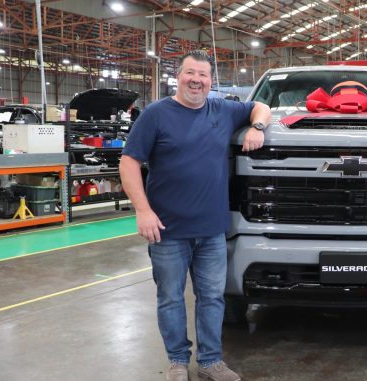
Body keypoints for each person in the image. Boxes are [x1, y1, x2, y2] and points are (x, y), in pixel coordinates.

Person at [119, 50, 271, 381]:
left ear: (211, 81)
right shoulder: (156, 115)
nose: (196, 80)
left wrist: (256, 127)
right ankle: (177, 361)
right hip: (166, 231)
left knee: (212, 299)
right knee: (170, 299)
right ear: (178, 76)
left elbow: (262, 106)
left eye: (203, 75)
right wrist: (142, 211)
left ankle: (210, 361)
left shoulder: (224, 109)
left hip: (212, 232)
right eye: (190, 73)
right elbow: (128, 162)